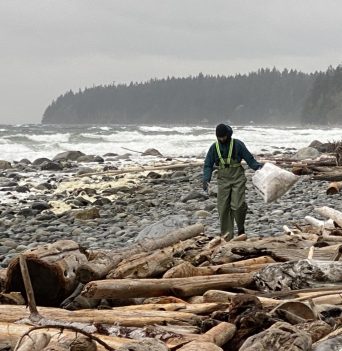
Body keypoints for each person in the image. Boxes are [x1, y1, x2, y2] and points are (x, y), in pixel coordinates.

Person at [203, 124, 262, 240]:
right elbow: (208, 165)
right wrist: (206, 179)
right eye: (219, 137)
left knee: (238, 205)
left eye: (224, 137)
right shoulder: (214, 147)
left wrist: (259, 168)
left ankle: (241, 229)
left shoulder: (237, 144)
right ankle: (227, 236)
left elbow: (249, 159)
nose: (222, 139)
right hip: (223, 179)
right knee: (223, 208)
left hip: (237, 178)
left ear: (228, 135)